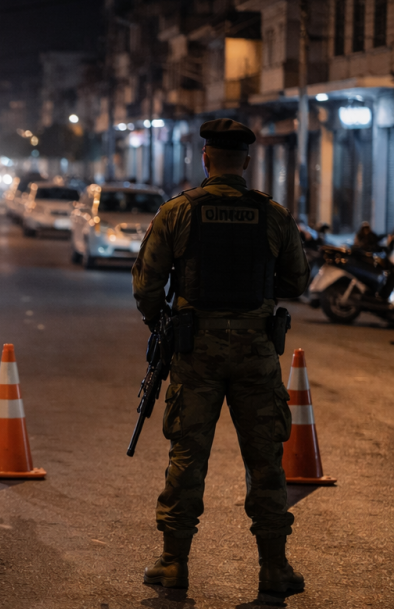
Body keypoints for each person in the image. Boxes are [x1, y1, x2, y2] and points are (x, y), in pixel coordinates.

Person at [132, 119, 310, 597]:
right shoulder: (271, 214)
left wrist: (165, 326)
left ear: (205, 157)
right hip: (255, 350)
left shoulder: (178, 211)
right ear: (247, 163)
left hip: (197, 351)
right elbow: (298, 280)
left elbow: (146, 285)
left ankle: (173, 565)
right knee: (266, 459)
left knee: (188, 456)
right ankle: (274, 569)